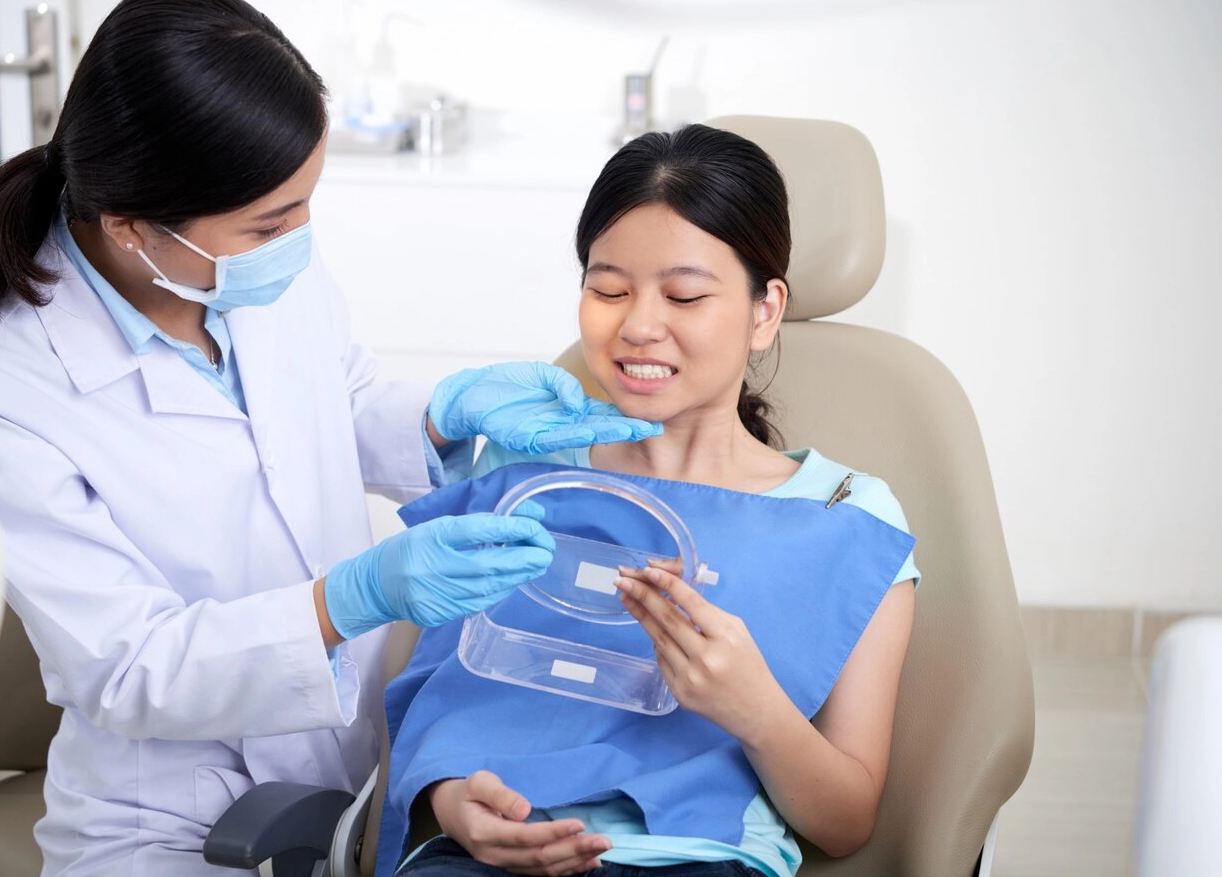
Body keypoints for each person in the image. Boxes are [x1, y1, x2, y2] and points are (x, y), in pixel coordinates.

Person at [0, 1, 657, 874]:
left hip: (359, 749)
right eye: (269, 224)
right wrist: (348, 599)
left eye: (303, 206)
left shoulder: (241, 260)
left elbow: (334, 396)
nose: (296, 240)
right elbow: (128, 667)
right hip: (168, 816)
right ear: (131, 226)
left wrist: (441, 414)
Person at [376, 124, 921, 877]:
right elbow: (438, 689)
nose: (636, 325)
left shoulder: (846, 520)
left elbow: (847, 823)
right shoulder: (521, 472)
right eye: (608, 289)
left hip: (696, 859)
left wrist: (758, 711)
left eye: (685, 294)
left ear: (764, 312)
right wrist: (449, 804)